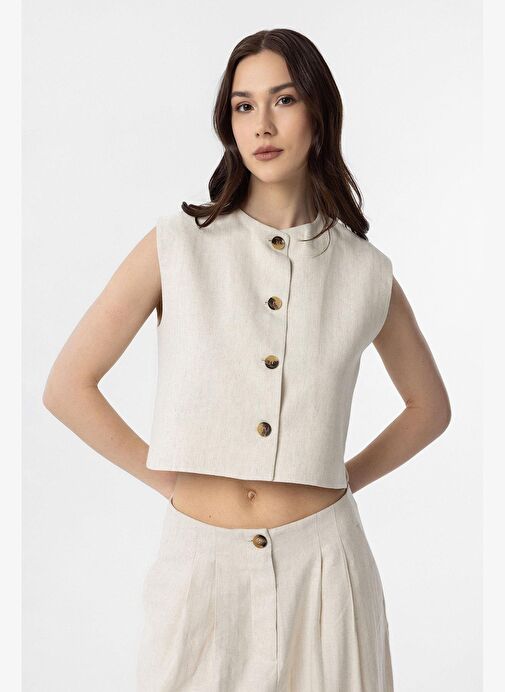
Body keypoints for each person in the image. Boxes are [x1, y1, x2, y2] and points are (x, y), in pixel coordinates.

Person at [43, 28, 451, 692]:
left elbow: (429, 409)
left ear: (319, 112)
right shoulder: (178, 245)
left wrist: (339, 482)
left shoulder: (365, 271)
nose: (261, 123)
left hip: (326, 572)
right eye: (243, 105)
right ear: (227, 123)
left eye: (283, 99)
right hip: (198, 569)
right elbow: (67, 386)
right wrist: (170, 483)